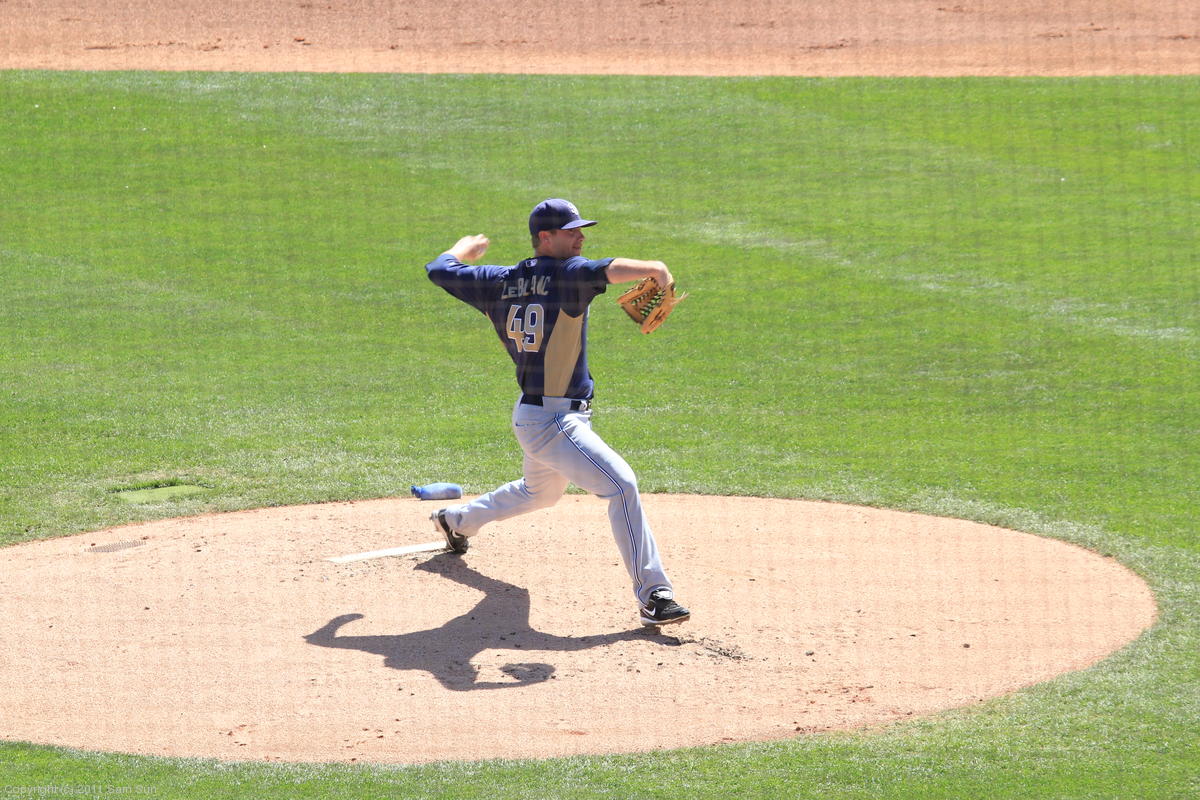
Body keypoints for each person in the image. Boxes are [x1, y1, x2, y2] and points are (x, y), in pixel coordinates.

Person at [423, 198, 689, 627]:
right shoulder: (567, 274)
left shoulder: (497, 280)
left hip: (534, 416)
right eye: (571, 231)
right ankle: (654, 596)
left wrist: (462, 250)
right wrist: (655, 267)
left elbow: (439, 270)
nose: (581, 237)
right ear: (545, 238)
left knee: (539, 493)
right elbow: (606, 269)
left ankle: (454, 520)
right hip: (553, 423)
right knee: (621, 486)